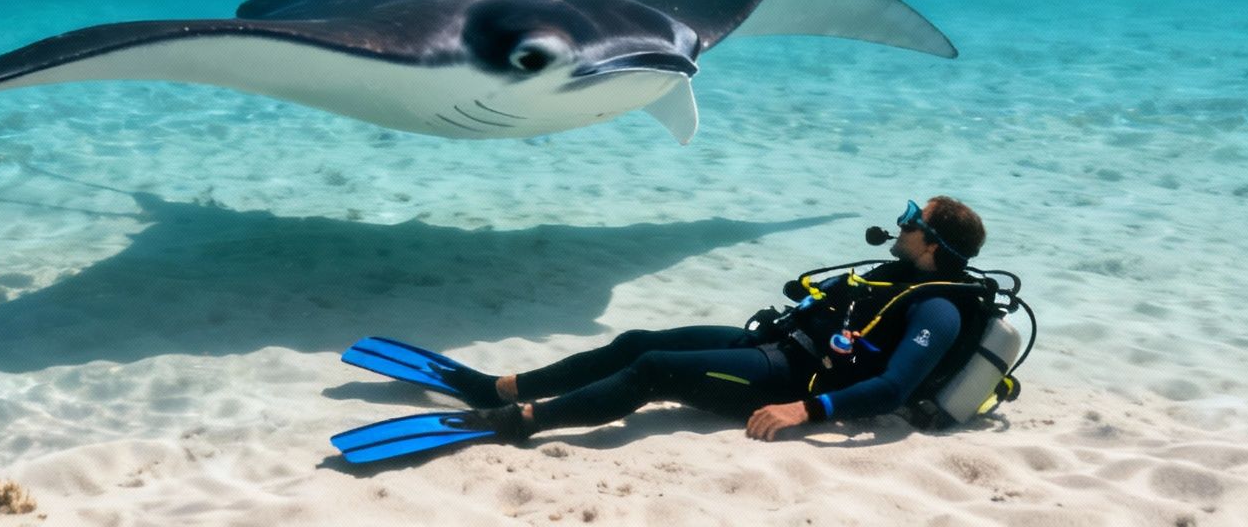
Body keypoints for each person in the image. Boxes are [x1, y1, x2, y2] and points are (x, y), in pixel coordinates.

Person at [334, 197, 996, 463]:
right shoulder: (896, 274)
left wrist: (804, 409)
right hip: (771, 344)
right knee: (636, 342)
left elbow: (892, 384)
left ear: (933, 243)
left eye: (915, 216)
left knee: (651, 374)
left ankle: (522, 419)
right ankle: (499, 386)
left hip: (791, 376)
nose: (902, 221)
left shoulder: (938, 307)